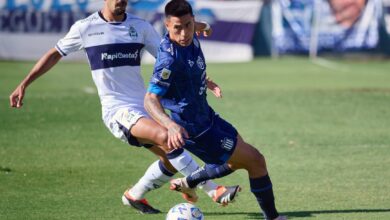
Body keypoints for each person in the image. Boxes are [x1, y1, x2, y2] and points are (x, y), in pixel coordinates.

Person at [9, 0, 240, 214]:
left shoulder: (139, 27)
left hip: (145, 106)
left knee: (172, 158)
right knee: (168, 137)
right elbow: (54, 54)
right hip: (116, 110)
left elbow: (171, 51)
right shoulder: (86, 28)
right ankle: (214, 190)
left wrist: (202, 75)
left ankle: (134, 195)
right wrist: (24, 84)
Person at [144, 0, 286, 219]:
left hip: (207, 116)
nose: (183, 34)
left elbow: (199, 30)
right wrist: (170, 126)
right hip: (193, 129)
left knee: (236, 159)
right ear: (166, 26)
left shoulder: (192, 31)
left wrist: (205, 79)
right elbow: (150, 99)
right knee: (255, 160)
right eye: (177, 28)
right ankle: (273, 217)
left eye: (188, 25)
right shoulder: (168, 60)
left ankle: (188, 182)